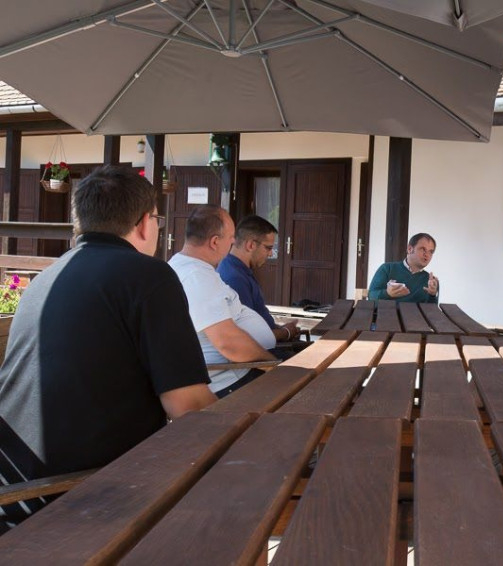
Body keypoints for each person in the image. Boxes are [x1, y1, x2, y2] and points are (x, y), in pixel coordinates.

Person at [0, 166, 214, 527]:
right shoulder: (149, 276)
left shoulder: (46, 278)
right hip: (78, 500)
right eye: (158, 220)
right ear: (145, 223)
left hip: (17, 491)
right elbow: (188, 407)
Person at [169, 205, 278, 398]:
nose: (234, 242)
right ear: (214, 241)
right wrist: (273, 364)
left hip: (240, 370)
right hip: (232, 379)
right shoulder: (197, 277)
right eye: (231, 237)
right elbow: (228, 343)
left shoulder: (191, 268)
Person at [217, 215, 298, 343]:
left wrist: (282, 329)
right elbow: (248, 336)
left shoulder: (237, 269)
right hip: (264, 351)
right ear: (250, 245)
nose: (270, 253)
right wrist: (286, 333)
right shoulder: (234, 279)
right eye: (268, 248)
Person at [368, 233, 439, 303]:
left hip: (415, 311)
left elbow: (431, 309)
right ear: (409, 249)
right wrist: (387, 293)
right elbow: (371, 296)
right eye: (423, 249)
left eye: (431, 252)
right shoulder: (387, 268)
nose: (427, 255)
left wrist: (432, 295)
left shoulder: (431, 281)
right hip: (388, 310)